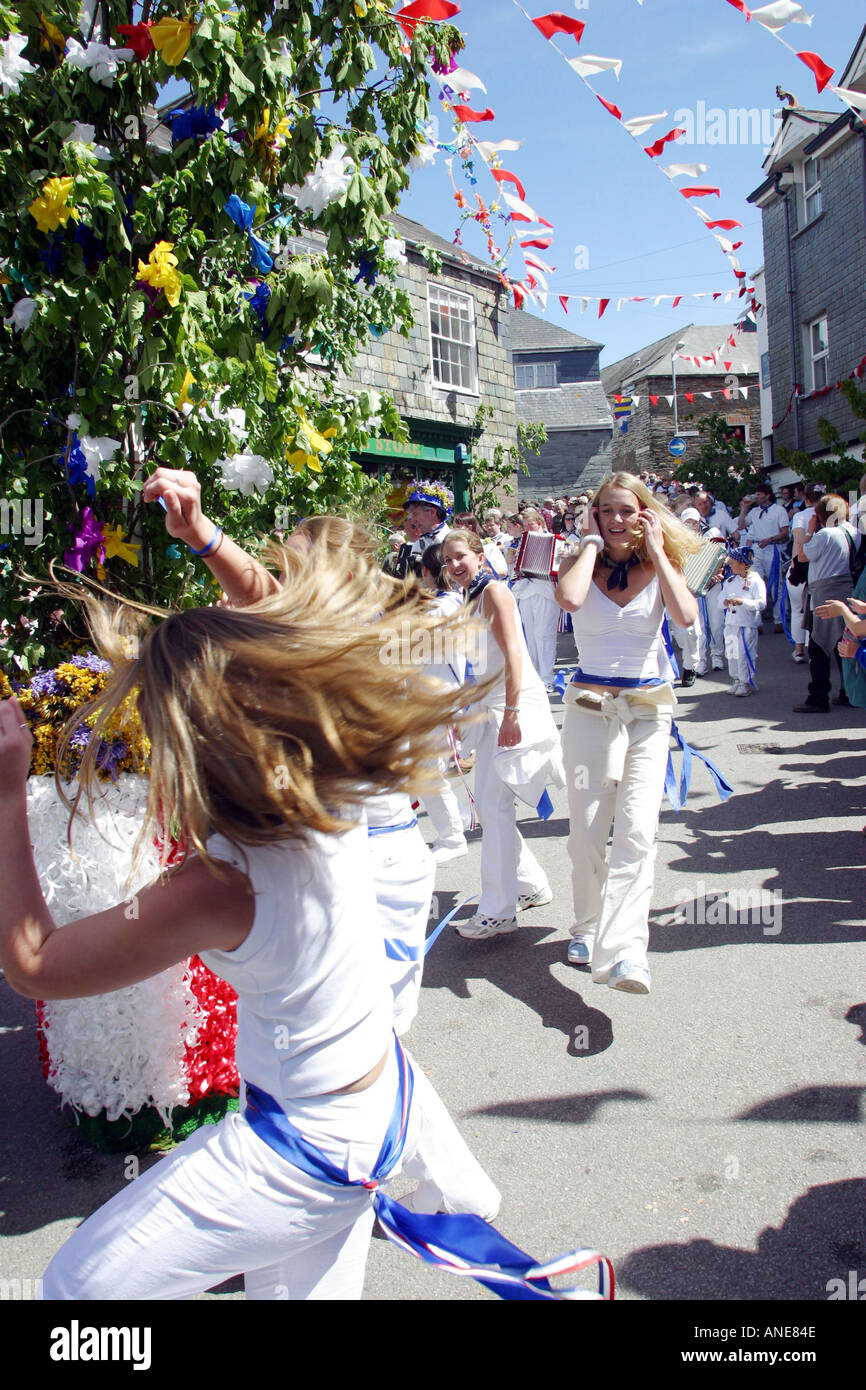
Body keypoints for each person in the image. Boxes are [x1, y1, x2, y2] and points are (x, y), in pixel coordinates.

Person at [1, 535, 501, 1301]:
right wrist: (203, 536)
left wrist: (7, 796)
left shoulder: (220, 885)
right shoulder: (323, 786)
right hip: (373, 1111)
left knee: (76, 1291)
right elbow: (288, 628)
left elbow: (34, 965)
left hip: (301, 1149)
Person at [555, 473, 700, 995]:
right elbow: (570, 601)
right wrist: (589, 541)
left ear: (644, 513)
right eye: (607, 511)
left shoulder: (662, 563)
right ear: (593, 514)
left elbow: (684, 617)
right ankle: (588, 926)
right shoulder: (578, 562)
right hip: (590, 707)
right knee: (588, 830)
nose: (618, 520)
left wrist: (660, 552)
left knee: (638, 830)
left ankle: (625, 952)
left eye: (627, 511)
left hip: (648, 708)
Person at [440, 529, 564, 940]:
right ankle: (529, 884)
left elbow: (513, 653)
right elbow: (479, 662)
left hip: (510, 709)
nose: (454, 565)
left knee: (493, 808)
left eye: (460, 556)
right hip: (489, 708)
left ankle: (498, 910)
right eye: (448, 560)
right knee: (494, 808)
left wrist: (510, 713)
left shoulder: (494, 592)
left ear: (479, 555)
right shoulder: (469, 598)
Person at [418, 542, 469, 865]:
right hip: (433, 697)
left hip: (439, 698)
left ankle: (452, 836)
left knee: (424, 771)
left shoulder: (441, 608)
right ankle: (457, 819)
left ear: (426, 572)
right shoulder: (441, 604)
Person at [794, 494, 859, 713]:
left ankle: (818, 696)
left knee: (819, 646)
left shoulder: (825, 535)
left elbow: (802, 556)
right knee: (844, 643)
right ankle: (848, 691)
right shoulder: (853, 532)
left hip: (824, 593)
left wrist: (811, 530)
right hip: (847, 590)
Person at [510, 507, 562, 692]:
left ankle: (547, 677)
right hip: (526, 590)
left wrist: (561, 559)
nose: (525, 529)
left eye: (528, 525)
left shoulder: (557, 541)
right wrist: (514, 562)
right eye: (524, 525)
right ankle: (534, 676)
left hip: (546, 590)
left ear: (539, 523)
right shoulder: (521, 542)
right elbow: (515, 570)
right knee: (530, 636)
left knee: (544, 634)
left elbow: (562, 567)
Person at [737, 484, 789, 629]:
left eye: (759, 494)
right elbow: (741, 526)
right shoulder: (754, 512)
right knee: (755, 583)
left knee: (775, 586)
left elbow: (785, 532)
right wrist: (744, 509)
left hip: (772, 548)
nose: (757, 497)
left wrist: (771, 539)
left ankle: (778, 619)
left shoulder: (779, 510)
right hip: (757, 549)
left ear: (767, 495)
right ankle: (757, 622)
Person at [722, 546, 766, 696]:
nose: (730, 565)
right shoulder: (729, 581)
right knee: (732, 653)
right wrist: (725, 602)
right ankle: (736, 679)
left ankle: (745, 682)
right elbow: (720, 599)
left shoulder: (755, 581)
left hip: (746, 624)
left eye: (733, 562)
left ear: (743, 564)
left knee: (744, 654)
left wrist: (743, 602)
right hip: (731, 622)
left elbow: (761, 603)